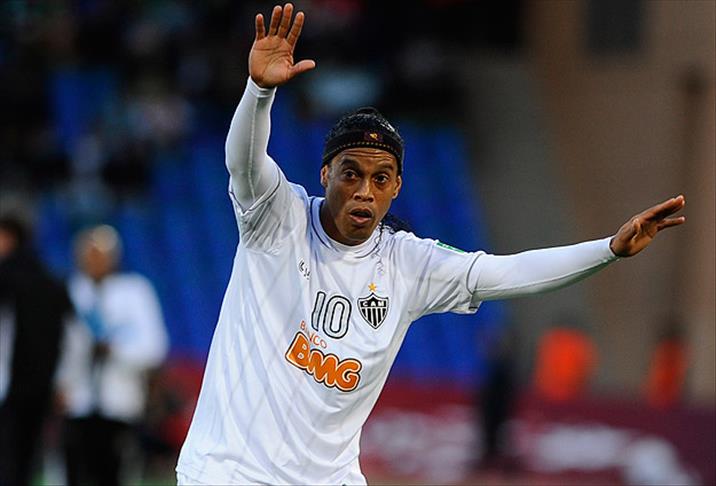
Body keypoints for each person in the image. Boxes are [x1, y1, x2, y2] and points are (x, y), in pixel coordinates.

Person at [176, 4, 686, 485]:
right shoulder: (278, 219)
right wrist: (259, 91)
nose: (364, 190)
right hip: (228, 472)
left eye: (380, 179)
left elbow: (508, 273)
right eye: (351, 173)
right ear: (326, 173)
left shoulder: (408, 264)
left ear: (397, 187)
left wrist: (608, 249)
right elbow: (243, 163)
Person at [55, 225, 169, 486]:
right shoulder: (71, 292)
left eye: (100, 254)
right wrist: (59, 383)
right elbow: (60, 347)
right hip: (77, 402)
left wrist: (115, 351)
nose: (93, 261)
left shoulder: (135, 292)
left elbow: (154, 348)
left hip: (119, 403)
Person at [0, 215, 73, 486]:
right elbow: (70, 333)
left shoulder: (6, 278)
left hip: (10, 386)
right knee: (24, 461)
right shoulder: (50, 279)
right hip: (41, 386)